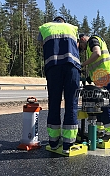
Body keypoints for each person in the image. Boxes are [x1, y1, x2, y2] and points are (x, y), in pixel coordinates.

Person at [38, 16, 81, 153]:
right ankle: (68, 144)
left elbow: (42, 45)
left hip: (53, 67)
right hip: (72, 67)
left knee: (54, 102)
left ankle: (54, 141)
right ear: (64, 21)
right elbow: (77, 46)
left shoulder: (45, 28)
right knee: (71, 103)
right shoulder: (72, 28)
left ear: (54, 21)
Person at [79, 34, 110, 140]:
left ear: (82, 39)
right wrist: (89, 78)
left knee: (105, 103)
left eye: (82, 46)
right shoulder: (91, 43)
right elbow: (96, 64)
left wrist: (83, 64)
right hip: (100, 76)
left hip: (105, 75)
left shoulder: (92, 40)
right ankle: (100, 131)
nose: (83, 49)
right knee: (99, 104)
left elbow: (97, 53)